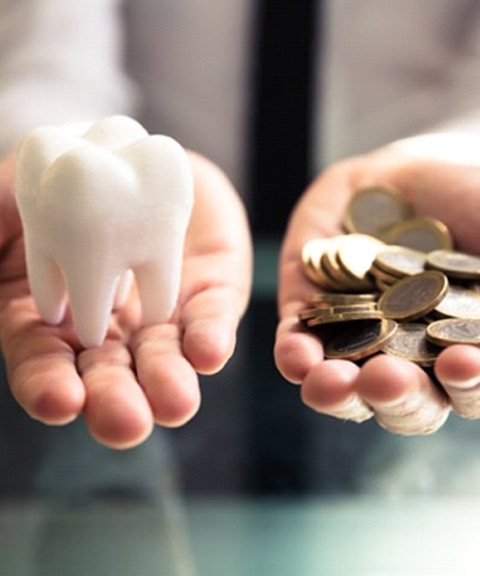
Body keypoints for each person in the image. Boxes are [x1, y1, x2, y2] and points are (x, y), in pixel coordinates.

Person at [1, 0, 480, 454]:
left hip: (399, 178)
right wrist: (51, 161)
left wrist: (456, 156)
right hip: (150, 179)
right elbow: (43, 56)